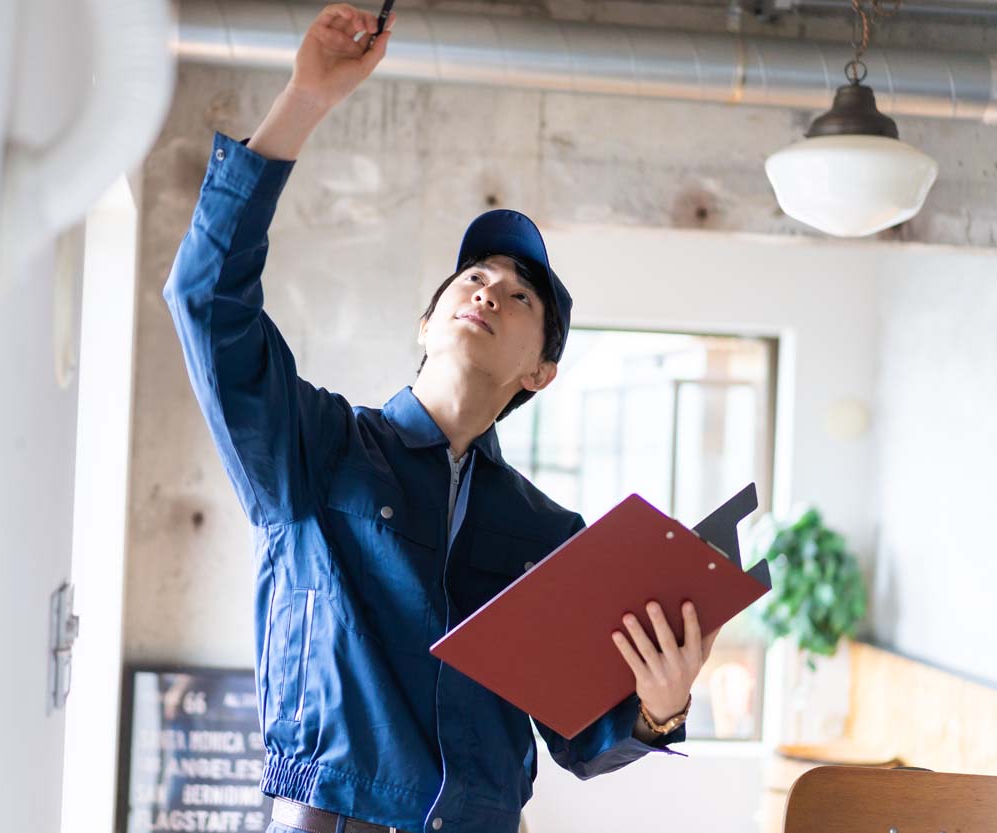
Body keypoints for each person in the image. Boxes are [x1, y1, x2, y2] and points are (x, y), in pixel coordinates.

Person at [163, 5, 719, 833]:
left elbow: (583, 736)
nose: (489, 288)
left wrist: (660, 710)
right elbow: (207, 300)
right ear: (426, 325)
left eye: (519, 294)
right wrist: (305, 99)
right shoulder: (317, 449)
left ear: (541, 372)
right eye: (472, 279)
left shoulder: (548, 533)